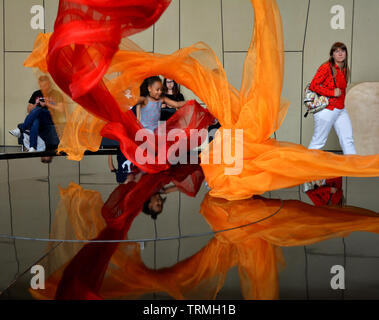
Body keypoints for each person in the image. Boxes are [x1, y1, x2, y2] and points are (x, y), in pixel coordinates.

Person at [308, 42, 356, 155]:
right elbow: (313, 86)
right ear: (332, 54)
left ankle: (353, 170)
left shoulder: (344, 69)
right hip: (327, 109)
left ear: (346, 53)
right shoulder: (326, 67)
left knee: (348, 140)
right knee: (318, 143)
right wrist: (332, 92)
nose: (340, 53)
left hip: (340, 109)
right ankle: (307, 171)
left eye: (342, 51)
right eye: (336, 51)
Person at [9, 75, 64, 152]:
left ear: (49, 84)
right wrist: (36, 103)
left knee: (39, 110)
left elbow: (61, 109)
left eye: (45, 85)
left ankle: (21, 129)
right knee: (36, 120)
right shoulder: (36, 93)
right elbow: (29, 110)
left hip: (50, 118)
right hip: (38, 117)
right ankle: (32, 147)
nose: (43, 87)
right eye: (41, 86)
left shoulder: (56, 93)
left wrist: (47, 104)